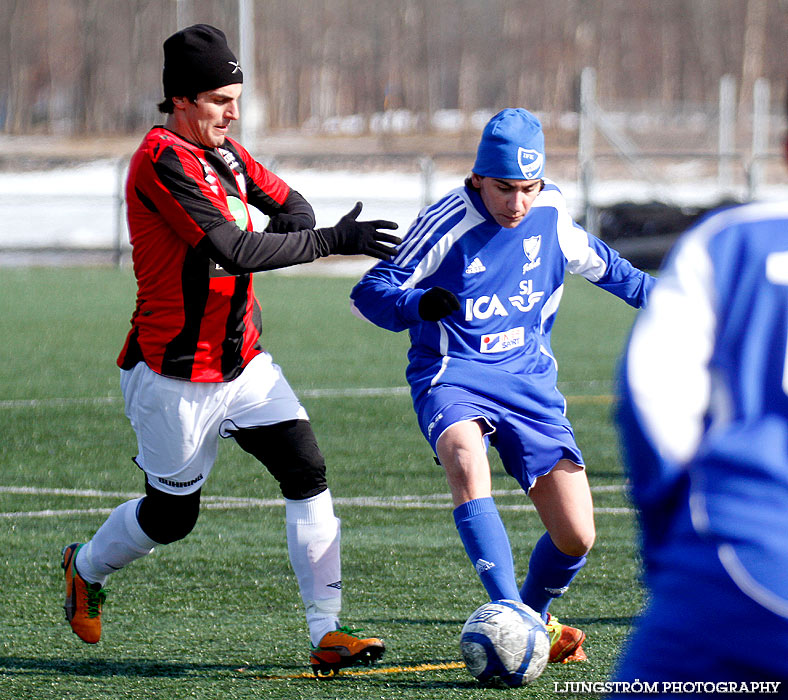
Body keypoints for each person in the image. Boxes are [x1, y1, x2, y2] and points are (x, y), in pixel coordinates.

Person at [61, 24, 400, 677]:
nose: (233, 112)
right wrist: (327, 242)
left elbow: (292, 208)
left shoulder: (230, 157)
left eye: (235, 97)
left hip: (243, 362)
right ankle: (86, 566)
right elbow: (237, 250)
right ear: (182, 100)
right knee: (172, 515)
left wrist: (290, 231)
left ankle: (326, 632)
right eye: (220, 99)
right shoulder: (162, 160)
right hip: (175, 375)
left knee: (307, 470)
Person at [350, 108, 655, 663]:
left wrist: (680, 305)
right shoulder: (446, 221)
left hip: (529, 382)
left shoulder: (553, 213)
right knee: (465, 459)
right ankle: (512, 618)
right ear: (477, 179)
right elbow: (370, 291)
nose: (517, 203)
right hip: (454, 375)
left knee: (576, 537)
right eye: (504, 188)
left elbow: (615, 271)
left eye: (528, 188)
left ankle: (532, 619)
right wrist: (415, 303)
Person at [610, 105, 788, 696]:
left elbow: (650, 399)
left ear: (782, 148)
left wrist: (670, 540)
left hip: (741, 559)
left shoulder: (733, 240)